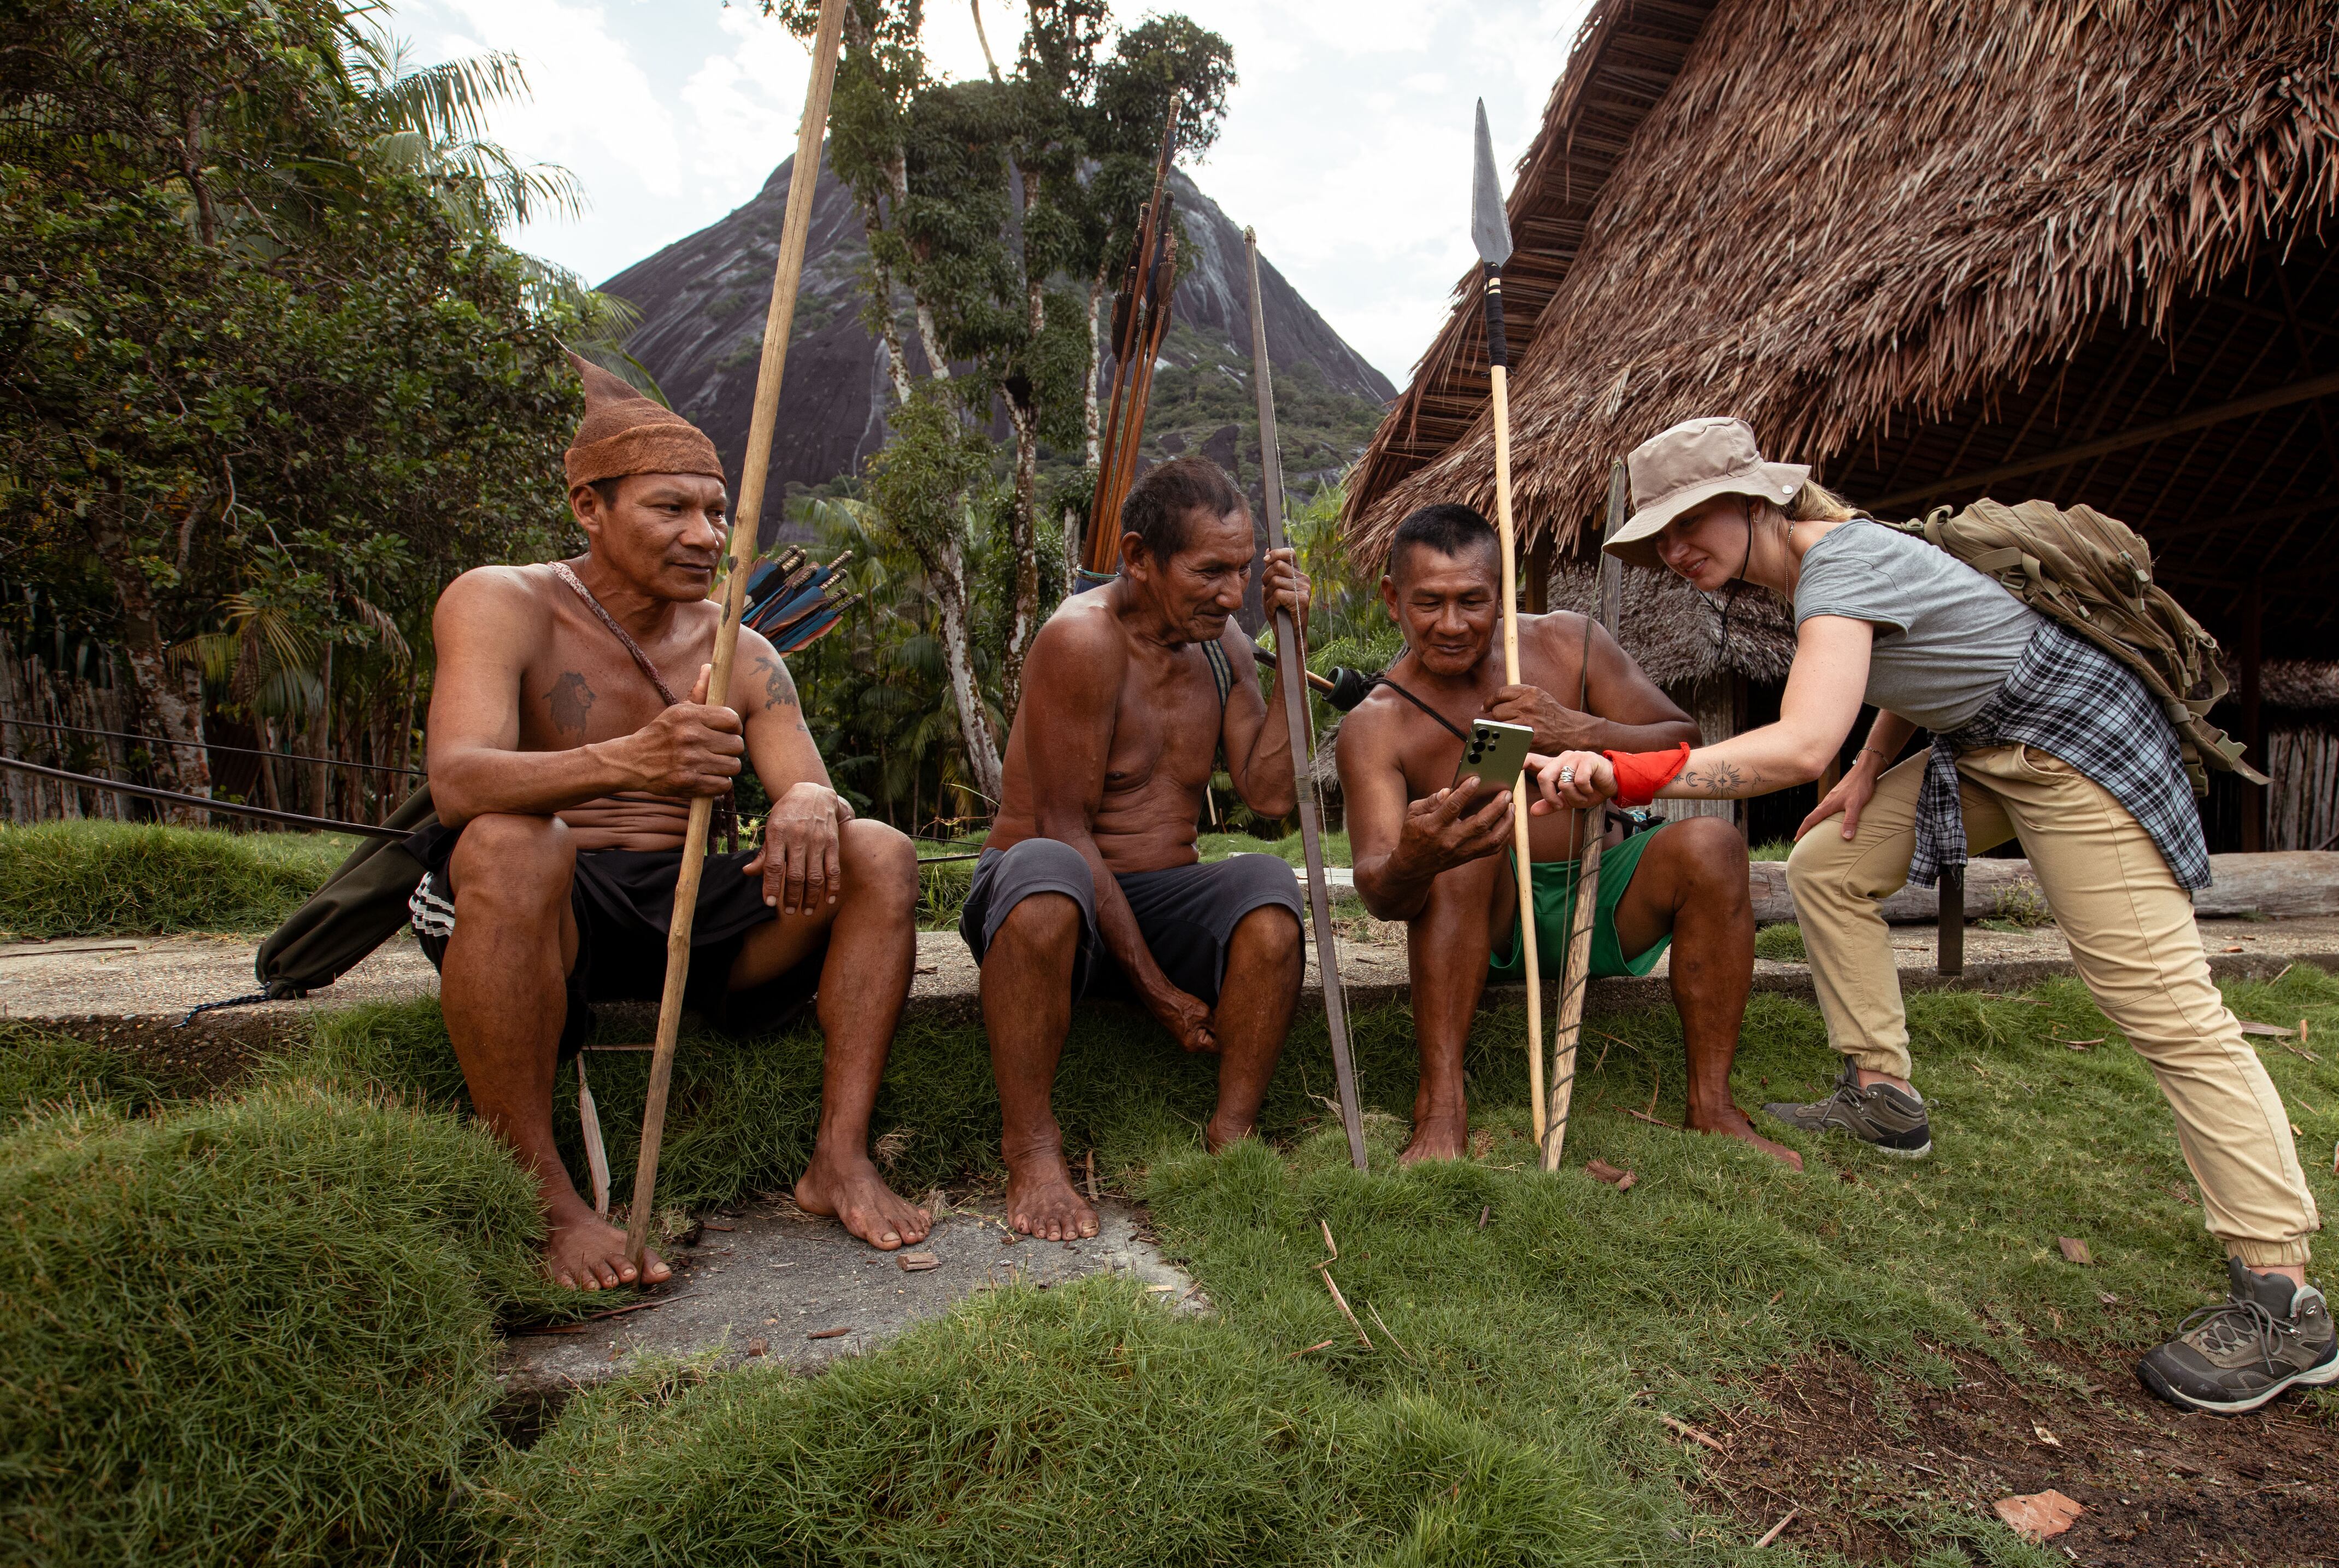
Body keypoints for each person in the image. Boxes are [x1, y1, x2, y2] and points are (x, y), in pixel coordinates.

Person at [1533, 417, 2337, 1415]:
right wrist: (1870, 770)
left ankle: (2280, 1295)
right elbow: (1906, 670)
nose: (1675, 550)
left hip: (2070, 740)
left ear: (1754, 498)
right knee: (1827, 861)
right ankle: (1883, 1092)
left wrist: (1620, 771)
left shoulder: (1840, 563)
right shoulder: (1818, 572)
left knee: (2164, 1005)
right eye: (1658, 537)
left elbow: (1792, 749)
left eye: (1690, 521)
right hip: (1988, 743)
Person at [417, 357, 927, 1292]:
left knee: (881, 852)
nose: (707, 536)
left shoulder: (742, 647)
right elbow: (458, 782)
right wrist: (630, 759)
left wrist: (812, 801)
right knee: (509, 839)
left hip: (692, 910)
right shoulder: (502, 600)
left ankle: (839, 1157)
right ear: (588, 507)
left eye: (718, 511)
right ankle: (548, 1197)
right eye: (671, 509)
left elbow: (807, 790)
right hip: (544, 902)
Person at [1338, 503, 1799, 1170]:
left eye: (1472, 600)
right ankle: (1440, 1108)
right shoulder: (1374, 724)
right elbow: (1380, 890)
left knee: (1713, 844)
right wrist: (1418, 855)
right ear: (1391, 600)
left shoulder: (1567, 641)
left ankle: (1714, 1107)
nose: (1451, 625)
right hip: (1484, 925)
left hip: (1604, 895)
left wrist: (1581, 733)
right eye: (1427, 604)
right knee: (1465, 851)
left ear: (1503, 593)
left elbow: (1683, 739)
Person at [964, 457, 1312, 1242]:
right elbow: (1064, 827)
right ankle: (1033, 1150)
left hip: (1158, 890)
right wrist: (1157, 990)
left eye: (1244, 570)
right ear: (1137, 558)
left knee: (1267, 887)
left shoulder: (1223, 643)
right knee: (1049, 876)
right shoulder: (1081, 640)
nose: (1231, 592)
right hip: (1044, 889)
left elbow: (1270, 795)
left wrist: (1290, 647)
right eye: (1210, 570)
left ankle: (1233, 1135)